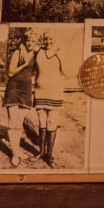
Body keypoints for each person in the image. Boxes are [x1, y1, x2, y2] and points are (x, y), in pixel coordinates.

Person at [3, 30, 40, 167]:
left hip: (26, 90)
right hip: (13, 89)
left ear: (36, 42)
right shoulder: (18, 53)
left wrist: (34, 88)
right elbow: (11, 72)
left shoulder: (36, 55)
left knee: (19, 123)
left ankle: (17, 151)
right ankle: (14, 154)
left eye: (33, 41)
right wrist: (24, 64)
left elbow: (35, 74)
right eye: (28, 40)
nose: (30, 43)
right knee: (13, 124)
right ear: (25, 40)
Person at [33, 36, 66, 167]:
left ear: (55, 41)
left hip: (55, 93)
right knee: (41, 123)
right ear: (43, 41)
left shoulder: (60, 53)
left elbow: (67, 71)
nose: (48, 42)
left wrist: (61, 53)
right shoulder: (38, 52)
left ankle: (49, 155)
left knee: (52, 123)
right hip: (40, 92)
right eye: (46, 39)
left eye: (51, 40)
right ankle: (41, 152)